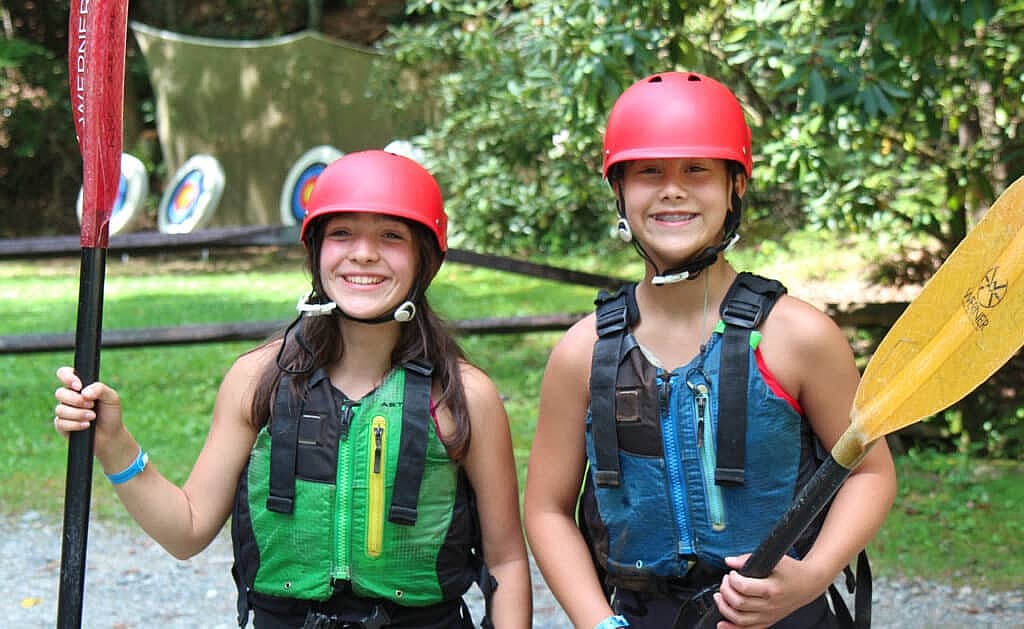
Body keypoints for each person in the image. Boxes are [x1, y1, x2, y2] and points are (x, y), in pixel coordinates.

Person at [53, 149, 532, 629]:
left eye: (391, 236)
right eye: (342, 233)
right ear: (316, 250)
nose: (363, 253)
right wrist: (115, 445)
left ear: (425, 258)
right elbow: (187, 529)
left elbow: (506, 560)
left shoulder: (464, 396)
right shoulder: (258, 379)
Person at [523, 71, 897, 629]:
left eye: (696, 169)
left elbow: (870, 471)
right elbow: (546, 508)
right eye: (650, 172)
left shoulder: (798, 337)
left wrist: (814, 575)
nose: (673, 189)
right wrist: (596, 622)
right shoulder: (584, 352)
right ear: (620, 190)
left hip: (784, 613)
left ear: (734, 186)